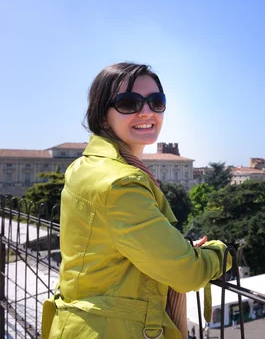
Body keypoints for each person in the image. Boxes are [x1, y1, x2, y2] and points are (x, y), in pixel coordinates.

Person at [41, 63, 232, 339]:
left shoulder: (85, 165)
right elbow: (186, 273)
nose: (147, 112)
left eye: (156, 102)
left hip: (80, 323)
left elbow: (118, 246)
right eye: (129, 103)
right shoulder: (121, 183)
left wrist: (169, 245)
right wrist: (220, 253)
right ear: (102, 116)